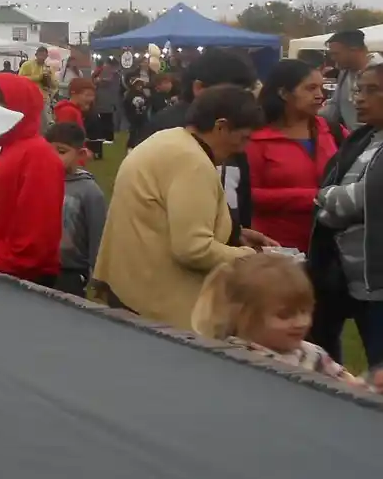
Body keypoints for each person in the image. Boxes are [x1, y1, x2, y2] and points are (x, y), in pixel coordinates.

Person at [90, 86, 273, 328]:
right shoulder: (192, 162)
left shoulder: (169, 139)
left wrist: (234, 234)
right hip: (157, 307)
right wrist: (252, 258)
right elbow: (193, 248)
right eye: (243, 138)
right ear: (221, 126)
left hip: (130, 288)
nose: (243, 148)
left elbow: (164, 215)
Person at [192, 252, 373, 388]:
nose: (301, 322)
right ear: (244, 315)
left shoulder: (311, 354)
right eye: (285, 315)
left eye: (305, 311)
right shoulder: (232, 359)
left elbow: (350, 388)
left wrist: (370, 385)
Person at [0, 73, 65, 286]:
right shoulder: (3, 147)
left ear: (19, 109)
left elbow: (34, 240)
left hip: (7, 281)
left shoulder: (38, 156)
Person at [307, 63, 383, 363]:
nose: (359, 99)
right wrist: (332, 201)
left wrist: (326, 199)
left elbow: (362, 198)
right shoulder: (362, 138)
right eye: (358, 90)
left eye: (372, 90)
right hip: (349, 278)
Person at [144, 48, 258, 235]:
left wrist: (238, 233)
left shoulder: (233, 127)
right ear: (200, 89)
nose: (244, 102)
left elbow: (241, 192)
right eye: (236, 93)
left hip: (223, 243)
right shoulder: (168, 133)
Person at [245, 59, 337, 253]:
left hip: (330, 245)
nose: (320, 95)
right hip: (277, 247)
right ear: (284, 93)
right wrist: (312, 197)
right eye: (310, 88)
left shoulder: (331, 129)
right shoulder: (255, 138)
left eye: (321, 87)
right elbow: (247, 194)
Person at [46, 121, 107, 296]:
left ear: (79, 153)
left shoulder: (89, 192)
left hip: (71, 273)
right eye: (48, 150)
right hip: (39, 268)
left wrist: (99, 277)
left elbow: (98, 237)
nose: (53, 156)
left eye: (61, 151)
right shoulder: (39, 181)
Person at [321, 28, 373, 136]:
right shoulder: (344, 73)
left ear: (354, 50)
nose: (332, 58)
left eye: (336, 54)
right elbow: (335, 107)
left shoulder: (379, 71)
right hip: (357, 141)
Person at [90, 59, 122, 155]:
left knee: (107, 118)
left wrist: (98, 81)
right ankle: (105, 136)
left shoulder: (111, 74)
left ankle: (109, 137)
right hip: (102, 98)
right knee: (104, 118)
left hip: (107, 99)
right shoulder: (101, 71)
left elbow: (104, 81)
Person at [123, 77, 152, 149]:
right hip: (133, 117)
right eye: (138, 85)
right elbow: (126, 106)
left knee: (143, 132)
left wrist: (145, 108)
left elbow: (147, 103)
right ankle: (130, 146)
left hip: (142, 117)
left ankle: (140, 146)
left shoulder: (143, 94)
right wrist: (130, 116)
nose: (140, 86)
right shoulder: (129, 95)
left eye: (141, 85)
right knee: (133, 132)